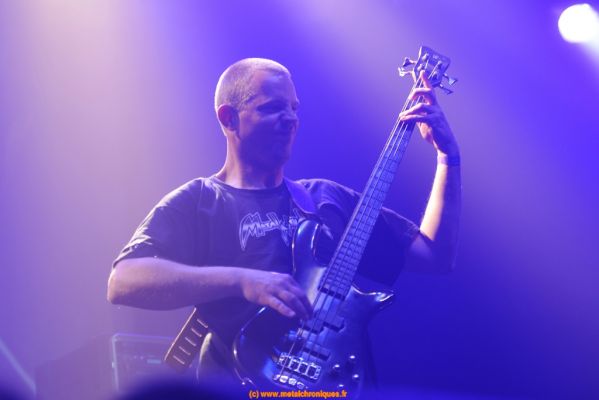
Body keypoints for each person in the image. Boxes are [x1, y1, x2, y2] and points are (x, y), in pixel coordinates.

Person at [107, 58, 461, 389]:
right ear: (229, 118)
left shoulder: (325, 199)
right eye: (272, 107)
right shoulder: (200, 201)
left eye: (293, 108)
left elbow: (435, 256)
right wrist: (242, 281)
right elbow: (123, 280)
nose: (291, 119)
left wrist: (448, 157)